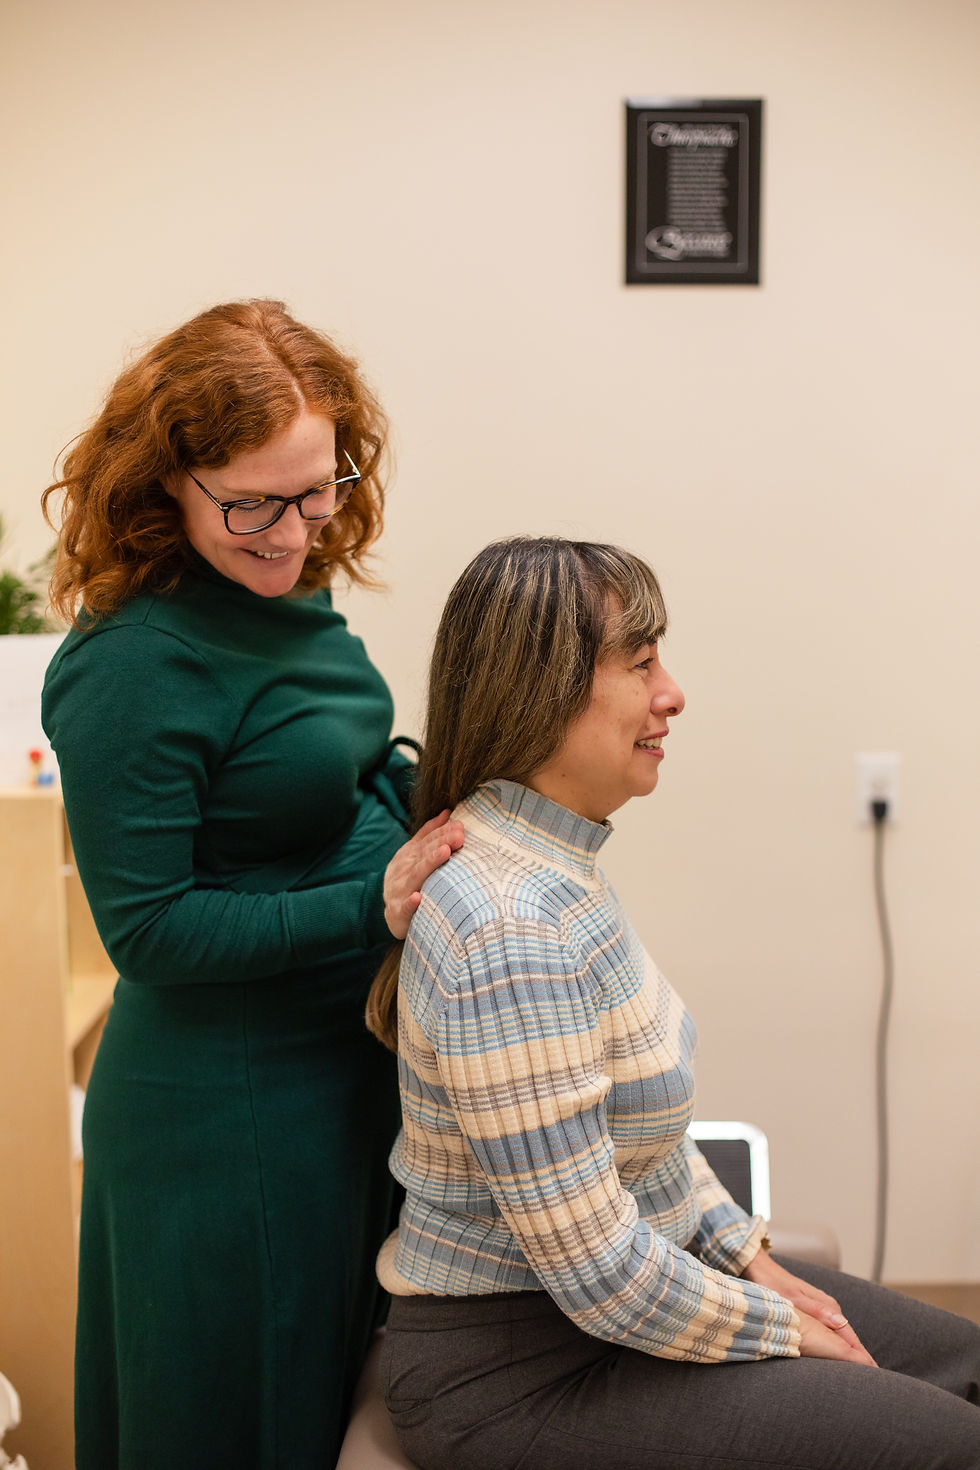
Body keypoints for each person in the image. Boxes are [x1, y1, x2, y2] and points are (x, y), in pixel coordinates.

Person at [366, 536, 980, 1470]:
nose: (673, 694)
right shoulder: (506, 925)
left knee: (964, 1365)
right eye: (641, 662)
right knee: (945, 1442)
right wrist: (780, 1324)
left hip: (595, 1321)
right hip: (517, 1377)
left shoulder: (555, 863)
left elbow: (643, 1151)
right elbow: (600, 1275)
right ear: (540, 689)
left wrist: (749, 1257)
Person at [40, 299, 462, 1470]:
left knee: (334, 1413)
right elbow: (153, 934)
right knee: (234, 1423)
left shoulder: (293, 594)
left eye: (315, 490)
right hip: (221, 1121)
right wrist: (370, 901)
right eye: (250, 503)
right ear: (164, 482)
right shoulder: (132, 666)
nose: (290, 531)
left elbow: (344, 764)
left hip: (339, 1076)